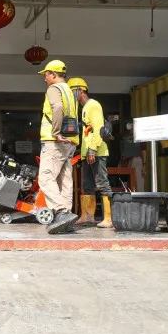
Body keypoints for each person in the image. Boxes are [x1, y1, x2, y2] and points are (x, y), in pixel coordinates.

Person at [37, 60, 80, 234]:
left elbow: (57, 107)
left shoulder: (53, 89)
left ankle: (61, 212)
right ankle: (67, 215)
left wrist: (55, 132)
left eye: (46, 75)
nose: (45, 79)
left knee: (46, 177)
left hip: (55, 141)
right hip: (69, 141)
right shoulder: (69, 91)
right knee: (64, 179)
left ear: (54, 74)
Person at [68, 78, 113, 228]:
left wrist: (93, 149)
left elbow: (98, 128)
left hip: (97, 152)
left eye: (72, 91)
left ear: (80, 90)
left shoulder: (93, 105)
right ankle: (87, 216)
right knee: (87, 185)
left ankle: (109, 218)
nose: (71, 94)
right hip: (87, 153)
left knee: (102, 184)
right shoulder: (84, 108)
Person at [119, 121, 145, 192]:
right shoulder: (124, 138)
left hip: (136, 160)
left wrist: (144, 165)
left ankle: (140, 199)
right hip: (126, 161)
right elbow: (122, 152)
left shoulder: (139, 137)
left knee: (139, 183)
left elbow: (143, 151)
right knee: (126, 183)